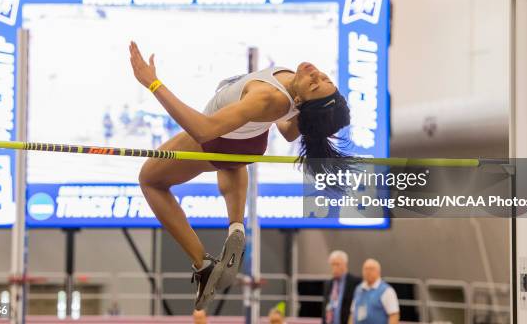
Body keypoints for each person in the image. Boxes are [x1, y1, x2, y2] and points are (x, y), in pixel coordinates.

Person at [128, 41, 351, 309]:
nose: (315, 75)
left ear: (301, 101)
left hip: (218, 142)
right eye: (322, 78)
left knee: (150, 181)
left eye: (315, 84)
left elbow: (203, 129)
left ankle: (203, 264)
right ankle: (235, 225)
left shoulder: (268, 98)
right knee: (232, 163)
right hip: (248, 144)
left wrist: (152, 83)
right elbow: (289, 131)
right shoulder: (295, 96)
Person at [350, 259, 400, 324]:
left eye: (371, 269)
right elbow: (353, 313)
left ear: (378, 271)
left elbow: (394, 315)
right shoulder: (358, 289)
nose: (368, 272)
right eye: (365, 269)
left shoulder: (387, 291)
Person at [322, 250, 360, 324]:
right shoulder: (329, 283)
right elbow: (325, 308)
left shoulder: (355, 283)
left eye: (337, 264)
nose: (334, 267)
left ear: (345, 264)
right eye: (332, 264)